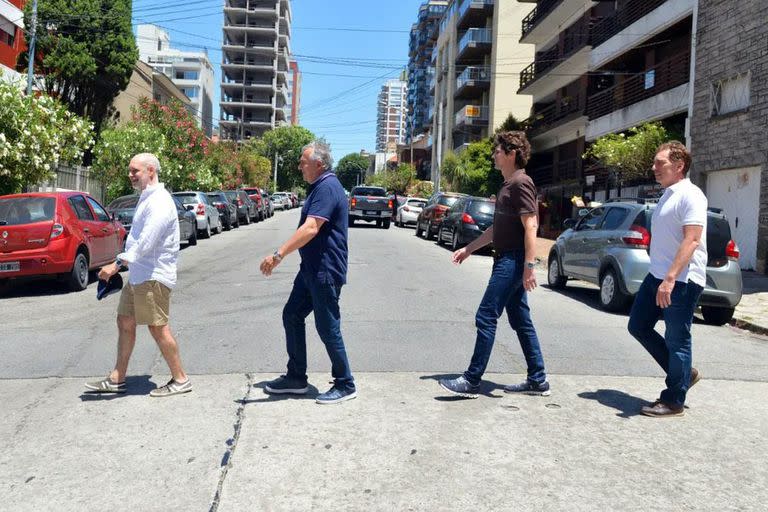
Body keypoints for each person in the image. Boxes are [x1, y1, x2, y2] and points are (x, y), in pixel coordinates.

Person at [439, 131, 549, 399]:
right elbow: (495, 230)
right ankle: (538, 379)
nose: (493, 154)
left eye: (498, 150)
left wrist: (529, 267)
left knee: (486, 316)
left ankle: (472, 380)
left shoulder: (521, 183)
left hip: (511, 260)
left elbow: (531, 225)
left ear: (512, 153)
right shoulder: (508, 185)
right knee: (521, 320)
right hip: (506, 257)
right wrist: (468, 249)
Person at [85, 153, 191, 397]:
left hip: (153, 276)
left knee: (157, 328)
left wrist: (116, 265)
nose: (130, 175)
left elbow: (146, 242)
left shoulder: (160, 202)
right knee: (125, 320)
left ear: (151, 170)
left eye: (135, 171)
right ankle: (117, 378)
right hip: (140, 275)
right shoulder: (147, 197)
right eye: (130, 170)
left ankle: (181, 379)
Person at [260, 140, 356, 405]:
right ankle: (296, 377)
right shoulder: (318, 187)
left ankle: (345, 383)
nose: (300, 166)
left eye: (303, 162)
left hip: (325, 270)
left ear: (319, 164)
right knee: (292, 314)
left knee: (327, 327)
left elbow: (311, 228)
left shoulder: (327, 187)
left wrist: (278, 254)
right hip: (310, 270)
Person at [627, 141, 707, 417]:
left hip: (681, 281)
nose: (654, 168)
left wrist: (670, 278)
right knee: (637, 325)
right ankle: (684, 374)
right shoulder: (667, 194)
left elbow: (692, 239)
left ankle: (674, 400)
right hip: (657, 276)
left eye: (659, 163)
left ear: (679, 165)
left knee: (677, 339)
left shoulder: (691, 195)